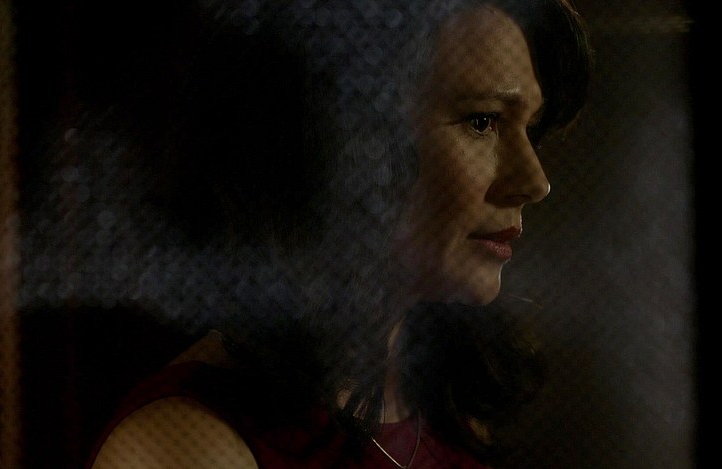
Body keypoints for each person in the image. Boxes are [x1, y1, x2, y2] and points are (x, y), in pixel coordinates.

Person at [82, 0, 593, 467]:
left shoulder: (444, 400)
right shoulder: (186, 446)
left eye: (530, 128)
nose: (535, 182)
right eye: (482, 121)